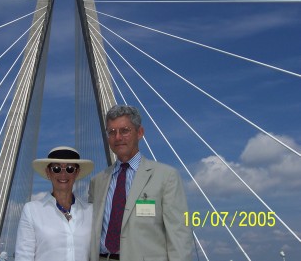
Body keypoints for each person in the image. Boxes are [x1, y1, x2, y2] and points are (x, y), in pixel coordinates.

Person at [88, 105, 192, 261]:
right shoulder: (97, 181)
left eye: (124, 131)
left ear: (140, 133)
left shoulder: (166, 176)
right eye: (112, 132)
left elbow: (179, 235)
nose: (117, 137)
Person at [15, 146, 94, 261]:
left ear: (77, 173)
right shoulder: (32, 210)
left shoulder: (91, 211)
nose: (63, 174)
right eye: (56, 168)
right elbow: (23, 257)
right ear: (48, 172)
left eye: (70, 168)